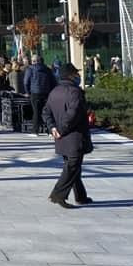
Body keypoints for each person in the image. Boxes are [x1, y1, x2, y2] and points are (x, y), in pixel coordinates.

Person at [43, 63, 94, 208]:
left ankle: (81, 196)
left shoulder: (55, 91)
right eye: (75, 73)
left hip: (61, 137)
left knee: (74, 166)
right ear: (71, 75)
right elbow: (73, 114)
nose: (78, 76)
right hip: (73, 136)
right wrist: (60, 129)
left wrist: (52, 127)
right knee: (72, 166)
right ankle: (58, 195)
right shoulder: (75, 92)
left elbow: (46, 112)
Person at [24, 55, 57, 136]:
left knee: (36, 112)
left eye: (32, 60)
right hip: (46, 93)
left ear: (34, 61)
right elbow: (53, 82)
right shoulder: (47, 69)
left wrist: (28, 92)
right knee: (47, 112)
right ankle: (49, 131)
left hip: (35, 93)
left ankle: (35, 131)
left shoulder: (30, 69)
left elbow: (26, 82)